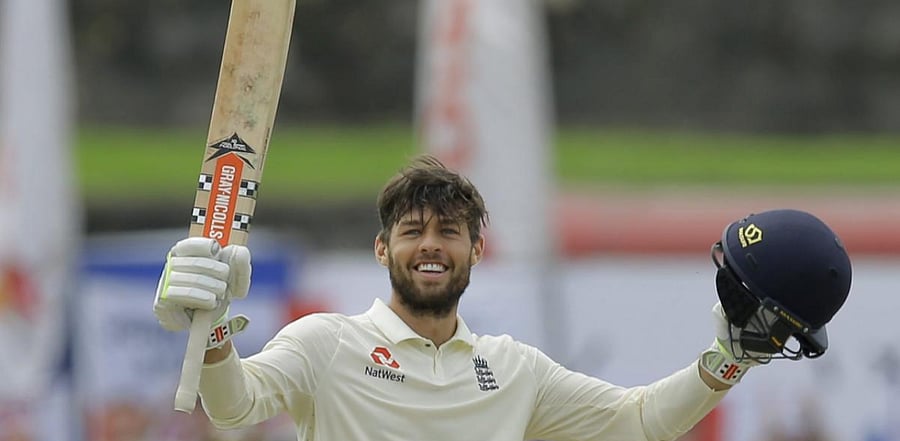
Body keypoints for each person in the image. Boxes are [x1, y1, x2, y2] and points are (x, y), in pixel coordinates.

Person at [153, 154, 852, 441]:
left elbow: (640, 422)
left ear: (475, 251)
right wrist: (212, 333)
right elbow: (234, 404)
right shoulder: (324, 343)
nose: (431, 245)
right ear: (381, 249)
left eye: (449, 232)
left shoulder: (514, 369)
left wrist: (727, 359)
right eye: (413, 231)